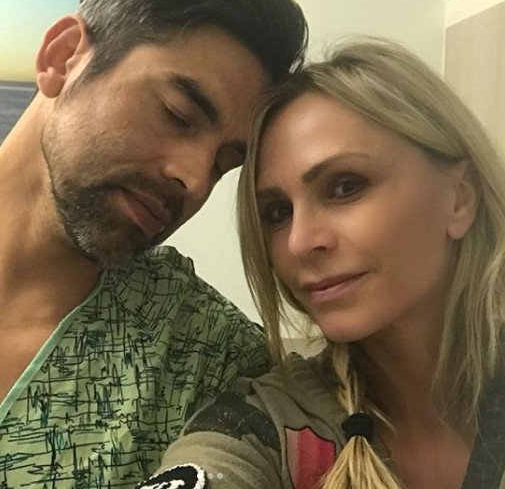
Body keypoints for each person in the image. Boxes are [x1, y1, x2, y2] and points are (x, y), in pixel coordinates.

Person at [0, 0, 307, 487]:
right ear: (62, 57)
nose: (195, 179)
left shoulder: (204, 353)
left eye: (224, 163)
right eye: (177, 114)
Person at [138, 39, 505, 489]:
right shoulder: (267, 426)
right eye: (277, 212)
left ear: (459, 198)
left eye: (346, 186)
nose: (299, 242)